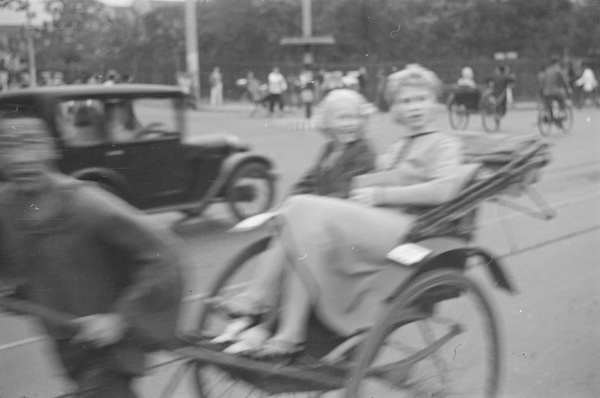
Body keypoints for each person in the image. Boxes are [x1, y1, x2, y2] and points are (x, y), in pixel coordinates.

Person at [214, 64, 467, 359]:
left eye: (421, 99)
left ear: (434, 102)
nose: (414, 107)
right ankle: (289, 333)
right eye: (405, 101)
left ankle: (255, 298)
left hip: (410, 231)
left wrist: (381, 193)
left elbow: (443, 190)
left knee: (300, 206)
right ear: (395, 108)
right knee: (301, 231)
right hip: (381, 224)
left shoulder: (445, 144)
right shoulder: (396, 148)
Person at [0, 116, 184, 397]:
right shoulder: (6, 206)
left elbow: (164, 256)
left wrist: (120, 318)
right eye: (8, 149)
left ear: (51, 150)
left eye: (30, 147)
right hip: (67, 338)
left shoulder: (86, 205)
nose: (21, 159)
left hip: (115, 340)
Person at [290, 89, 376, 197]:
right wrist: (293, 197)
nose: (349, 124)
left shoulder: (363, 151)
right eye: (342, 117)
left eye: (356, 117)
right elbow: (311, 179)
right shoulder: (330, 148)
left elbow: (348, 191)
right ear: (326, 121)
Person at [540, 55, 572, 121]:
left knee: (548, 102)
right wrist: (568, 88)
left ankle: (550, 116)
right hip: (555, 91)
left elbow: (543, 81)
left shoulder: (547, 70)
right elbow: (564, 81)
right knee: (562, 99)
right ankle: (561, 115)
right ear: (557, 62)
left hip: (546, 91)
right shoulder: (558, 70)